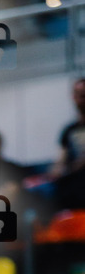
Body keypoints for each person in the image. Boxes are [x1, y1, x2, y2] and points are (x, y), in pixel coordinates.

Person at [51, 77, 85, 211]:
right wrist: (57, 170)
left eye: (84, 95)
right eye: (79, 95)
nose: (82, 99)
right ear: (73, 97)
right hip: (74, 187)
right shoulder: (68, 131)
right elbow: (60, 161)